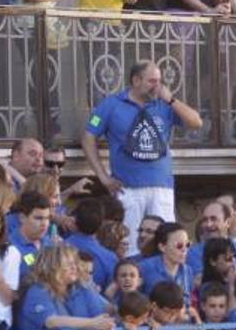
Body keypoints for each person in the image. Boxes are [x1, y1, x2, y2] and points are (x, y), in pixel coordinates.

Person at [81, 60, 203, 255]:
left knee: (166, 247)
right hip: (127, 188)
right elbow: (88, 138)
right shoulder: (111, 105)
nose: (158, 86)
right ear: (136, 80)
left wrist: (171, 100)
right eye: (152, 81)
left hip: (161, 187)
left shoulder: (164, 104)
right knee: (129, 247)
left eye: (159, 81)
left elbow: (196, 122)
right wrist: (103, 177)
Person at [16, 246, 114, 330]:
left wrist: (108, 324)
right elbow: (51, 322)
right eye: (68, 264)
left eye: (75, 263)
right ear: (51, 267)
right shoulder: (38, 291)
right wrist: (92, 323)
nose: (74, 267)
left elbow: (100, 315)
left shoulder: (83, 289)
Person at [186, 200, 236, 278]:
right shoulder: (194, 252)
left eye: (213, 219)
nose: (208, 224)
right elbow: (199, 281)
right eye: (205, 220)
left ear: (228, 222)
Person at [137, 222, 194, 296]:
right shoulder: (144, 268)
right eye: (179, 245)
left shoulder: (188, 271)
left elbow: (189, 300)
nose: (184, 249)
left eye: (187, 244)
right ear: (162, 247)